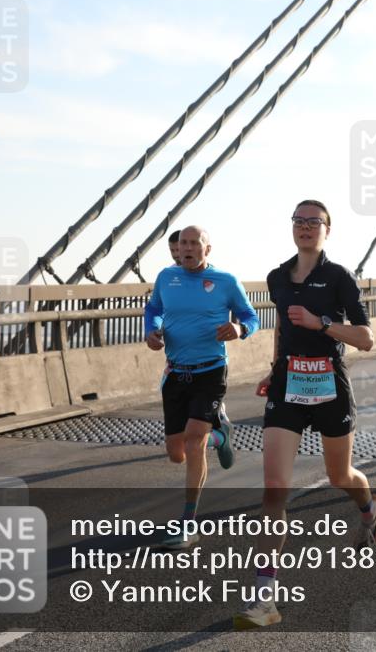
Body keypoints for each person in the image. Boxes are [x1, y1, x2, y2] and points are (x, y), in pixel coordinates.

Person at [235, 199, 376, 630]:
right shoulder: (277, 277)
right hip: (288, 386)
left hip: (330, 385)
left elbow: (367, 339)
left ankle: (370, 509)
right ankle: (265, 598)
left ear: (327, 230)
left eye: (313, 221)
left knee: (341, 476)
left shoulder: (339, 278)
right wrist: (274, 366)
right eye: (298, 220)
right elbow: (281, 325)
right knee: (274, 491)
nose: (304, 227)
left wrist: (323, 325)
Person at [144, 226, 260, 549]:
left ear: (207, 250)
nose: (189, 248)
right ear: (177, 249)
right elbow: (153, 309)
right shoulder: (166, 278)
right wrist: (152, 331)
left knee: (195, 444)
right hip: (176, 373)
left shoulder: (225, 281)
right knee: (176, 454)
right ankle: (221, 433)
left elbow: (252, 316)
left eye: (196, 243)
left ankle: (188, 522)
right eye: (184, 243)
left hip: (210, 373)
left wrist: (239, 328)